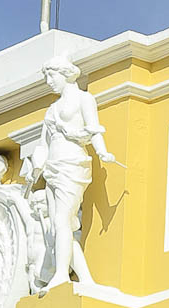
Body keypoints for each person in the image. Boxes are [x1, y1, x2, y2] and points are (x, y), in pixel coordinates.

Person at [26, 55, 118, 289]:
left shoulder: (84, 99)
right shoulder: (52, 109)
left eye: (51, 75)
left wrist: (102, 152)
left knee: (61, 220)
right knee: (60, 226)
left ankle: (61, 275)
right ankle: (85, 279)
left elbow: (93, 129)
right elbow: (43, 145)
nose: (48, 82)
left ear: (65, 73)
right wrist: (36, 167)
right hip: (52, 169)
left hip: (72, 164)